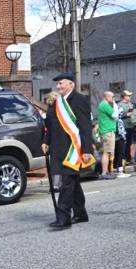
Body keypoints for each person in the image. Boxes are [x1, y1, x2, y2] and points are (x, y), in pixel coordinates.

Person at [41, 72, 95, 230]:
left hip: (73, 150)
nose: (58, 87)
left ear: (71, 84)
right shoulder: (57, 102)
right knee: (72, 182)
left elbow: (85, 126)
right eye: (57, 84)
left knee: (67, 183)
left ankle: (63, 218)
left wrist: (86, 149)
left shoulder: (79, 100)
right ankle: (80, 213)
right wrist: (45, 141)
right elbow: (50, 124)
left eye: (61, 83)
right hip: (58, 149)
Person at [97, 91, 117, 180]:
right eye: (112, 97)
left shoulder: (103, 105)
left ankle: (106, 171)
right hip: (107, 131)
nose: (113, 99)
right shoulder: (104, 105)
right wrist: (115, 105)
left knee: (108, 152)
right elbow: (115, 115)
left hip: (107, 131)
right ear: (107, 97)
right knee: (106, 152)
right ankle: (104, 172)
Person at [118, 90, 136, 169]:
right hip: (124, 126)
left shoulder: (131, 104)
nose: (129, 97)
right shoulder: (119, 105)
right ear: (124, 96)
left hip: (131, 126)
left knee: (130, 143)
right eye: (128, 96)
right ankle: (124, 159)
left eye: (130, 96)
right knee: (124, 144)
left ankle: (129, 158)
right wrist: (127, 114)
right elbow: (118, 115)